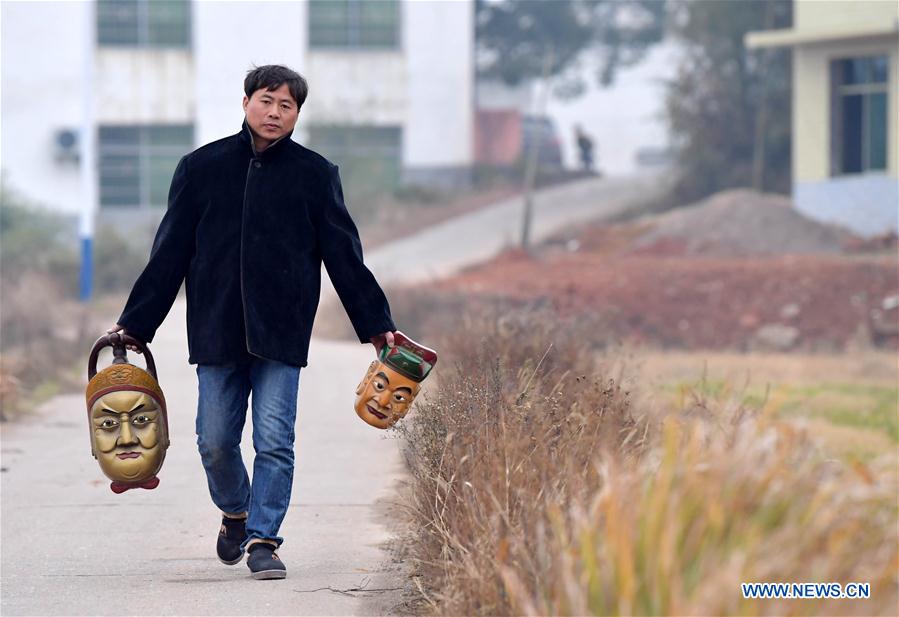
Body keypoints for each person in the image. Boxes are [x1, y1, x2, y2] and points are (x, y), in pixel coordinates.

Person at [108, 64, 396, 580]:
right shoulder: (201, 167)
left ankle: (265, 539)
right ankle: (236, 512)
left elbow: (343, 254)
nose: (275, 112)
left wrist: (375, 322)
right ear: (246, 103)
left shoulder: (315, 174)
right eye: (267, 100)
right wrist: (136, 323)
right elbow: (169, 251)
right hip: (216, 326)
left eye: (287, 106)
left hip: (281, 329)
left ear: (297, 116)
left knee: (274, 439)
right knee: (213, 440)